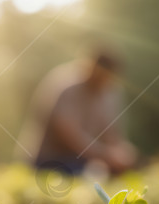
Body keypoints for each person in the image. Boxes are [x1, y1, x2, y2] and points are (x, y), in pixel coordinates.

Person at [20, 48, 138, 177]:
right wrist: (106, 155)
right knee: (92, 173)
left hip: (82, 160)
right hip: (49, 159)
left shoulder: (109, 92)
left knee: (112, 171)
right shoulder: (66, 86)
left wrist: (122, 152)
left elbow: (111, 133)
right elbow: (69, 135)